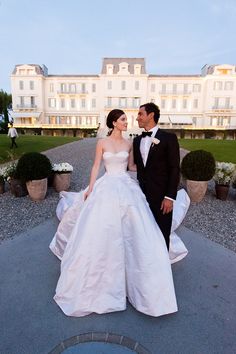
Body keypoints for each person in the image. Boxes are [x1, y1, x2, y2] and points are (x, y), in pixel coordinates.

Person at [50, 109, 189, 318]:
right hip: (107, 186)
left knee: (135, 231)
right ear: (114, 122)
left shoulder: (129, 144)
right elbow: (97, 166)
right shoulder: (102, 143)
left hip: (126, 186)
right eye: (123, 119)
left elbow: (133, 166)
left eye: (128, 119)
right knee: (104, 230)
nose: (127, 122)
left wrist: (153, 170)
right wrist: (89, 189)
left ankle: (137, 280)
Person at [133, 103, 180, 249]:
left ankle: (163, 268)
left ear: (151, 115)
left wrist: (169, 197)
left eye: (140, 114)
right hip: (141, 196)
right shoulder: (136, 141)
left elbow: (174, 169)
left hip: (161, 197)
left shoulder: (169, 138)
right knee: (143, 233)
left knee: (162, 233)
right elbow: (136, 167)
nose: (137, 118)